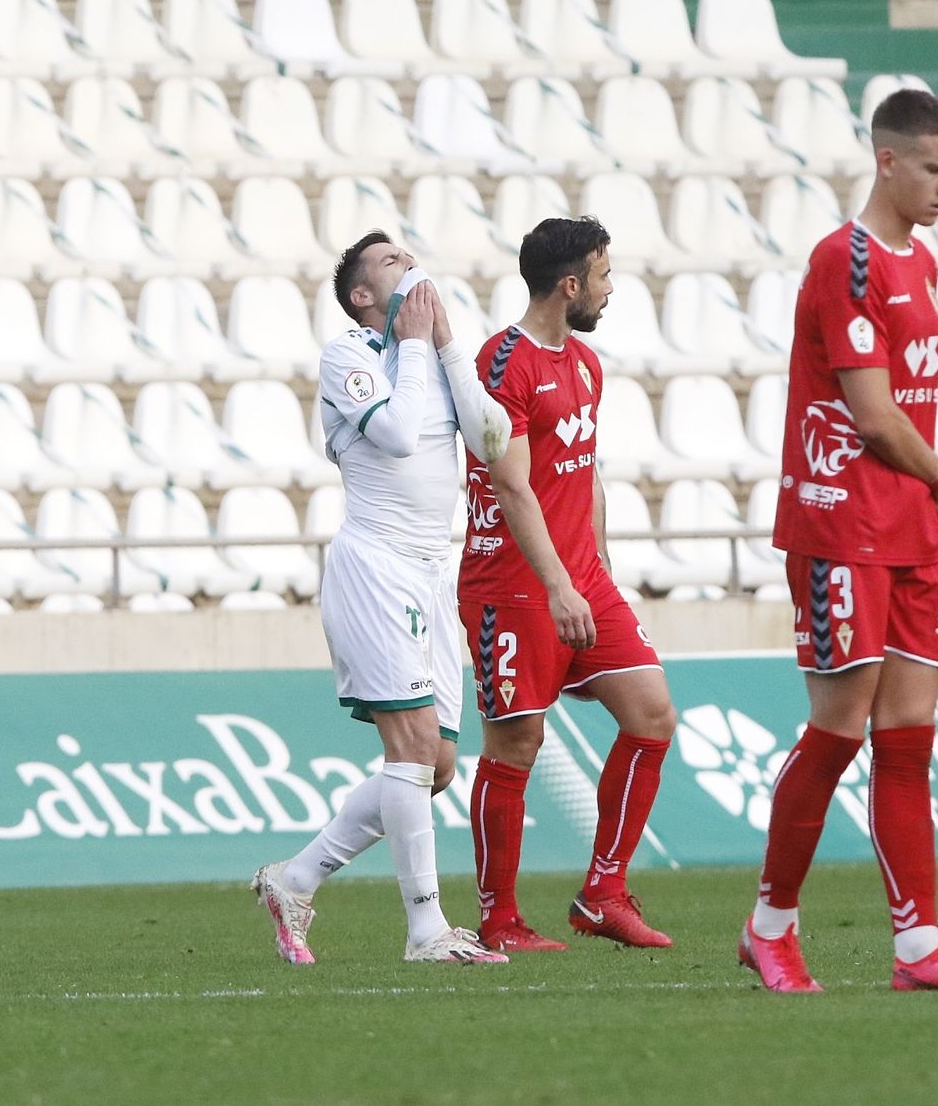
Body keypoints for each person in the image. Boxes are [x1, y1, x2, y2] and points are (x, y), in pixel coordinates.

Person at [739, 89, 938, 995]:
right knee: (840, 727)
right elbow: (871, 414)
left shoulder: (922, 263)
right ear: (887, 160)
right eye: (934, 169)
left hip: (911, 528)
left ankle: (918, 947)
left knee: (909, 734)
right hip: (840, 523)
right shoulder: (845, 260)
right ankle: (769, 924)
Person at [252, 231, 512, 965]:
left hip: (433, 572)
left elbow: (491, 439)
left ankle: (294, 878)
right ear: (364, 295)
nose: (414, 266)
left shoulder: (428, 353)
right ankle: (426, 930)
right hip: (376, 565)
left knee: (436, 767)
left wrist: (449, 344)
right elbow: (397, 435)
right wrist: (420, 347)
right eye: (394, 261)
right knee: (413, 747)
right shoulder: (350, 357)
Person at [461, 216, 678, 953]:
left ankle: (603, 892)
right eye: (605, 276)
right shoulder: (503, 364)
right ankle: (498, 920)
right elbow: (513, 486)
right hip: (514, 585)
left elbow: (586, 471)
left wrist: (600, 574)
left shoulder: (586, 364)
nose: (611, 290)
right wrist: (559, 586)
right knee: (517, 743)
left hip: (580, 578)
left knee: (652, 713)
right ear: (571, 284)